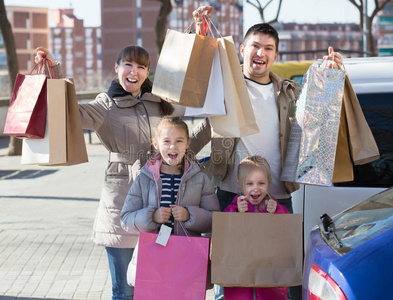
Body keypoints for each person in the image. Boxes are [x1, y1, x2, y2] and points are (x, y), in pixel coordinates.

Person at [190, 6, 344, 300]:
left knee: (278, 274)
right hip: (231, 193)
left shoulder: (288, 92)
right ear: (243, 49)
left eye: (268, 48)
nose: (261, 53)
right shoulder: (227, 87)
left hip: (278, 196)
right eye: (255, 46)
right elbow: (205, 124)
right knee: (231, 274)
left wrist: (332, 74)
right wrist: (177, 155)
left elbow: (318, 117)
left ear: (275, 56)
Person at [35, 45, 174, 300]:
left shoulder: (158, 103)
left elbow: (181, 134)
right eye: (128, 65)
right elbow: (70, 113)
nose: (134, 72)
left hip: (160, 202)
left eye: (141, 67)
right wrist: (55, 71)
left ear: (147, 72)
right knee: (125, 291)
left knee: (155, 289)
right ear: (117, 68)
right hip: (121, 204)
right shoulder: (105, 105)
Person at [120, 116, 219, 237]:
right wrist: (152, 217)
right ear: (156, 144)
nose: (173, 146)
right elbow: (126, 220)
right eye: (167, 141)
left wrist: (190, 215)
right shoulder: (144, 179)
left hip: (187, 252)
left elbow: (215, 220)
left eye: (179, 141)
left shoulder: (200, 179)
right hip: (153, 252)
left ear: (187, 143)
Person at [223, 155, 289, 300]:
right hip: (239, 288)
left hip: (271, 287)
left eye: (261, 183)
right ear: (239, 184)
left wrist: (276, 211)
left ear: (268, 183)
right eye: (249, 184)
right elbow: (225, 231)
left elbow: (287, 228)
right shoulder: (233, 208)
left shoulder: (273, 206)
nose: (256, 189)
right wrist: (236, 212)